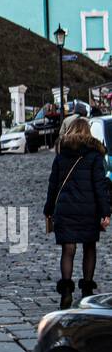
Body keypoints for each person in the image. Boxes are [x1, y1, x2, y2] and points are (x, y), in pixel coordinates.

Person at [43, 116, 111, 308]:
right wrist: (105, 212)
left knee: (68, 249)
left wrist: (48, 209)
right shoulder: (95, 155)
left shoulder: (61, 155)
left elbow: (53, 185)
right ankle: (87, 291)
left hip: (65, 210)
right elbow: (100, 186)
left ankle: (66, 291)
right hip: (88, 209)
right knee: (89, 247)